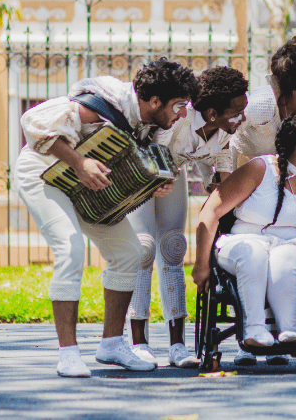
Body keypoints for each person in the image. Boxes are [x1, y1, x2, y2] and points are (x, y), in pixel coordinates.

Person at [14, 58, 199, 377]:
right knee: (70, 249)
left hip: (83, 182)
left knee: (129, 252)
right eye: (178, 105)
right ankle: (68, 354)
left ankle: (112, 344)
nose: (182, 113)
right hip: (42, 173)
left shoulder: (150, 122)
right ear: (154, 101)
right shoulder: (103, 105)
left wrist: (156, 181)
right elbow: (33, 121)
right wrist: (79, 162)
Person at [192, 111, 296, 362]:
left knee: (287, 257)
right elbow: (211, 211)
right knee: (254, 253)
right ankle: (254, 328)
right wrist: (202, 264)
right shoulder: (261, 169)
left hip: (294, 247)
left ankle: (290, 329)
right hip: (242, 243)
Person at [126, 66, 249, 369]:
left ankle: (177, 345)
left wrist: (217, 179)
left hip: (172, 175)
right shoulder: (179, 121)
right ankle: (138, 342)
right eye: (235, 112)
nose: (241, 118)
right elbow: (145, 144)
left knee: (172, 247)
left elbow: (214, 157)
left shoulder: (222, 130)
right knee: (142, 249)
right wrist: (157, 175)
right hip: (141, 174)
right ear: (210, 112)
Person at [228, 36, 296, 365]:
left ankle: (276, 337)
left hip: (282, 177)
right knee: (250, 249)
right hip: (247, 172)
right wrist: (222, 176)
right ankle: (250, 335)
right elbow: (226, 136)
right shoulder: (261, 106)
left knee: (281, 248)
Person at [229, 36, 296, 170]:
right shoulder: (261, 106)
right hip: (241, 170)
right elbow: (223, 135)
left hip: (278, 176)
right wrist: (220, 175)